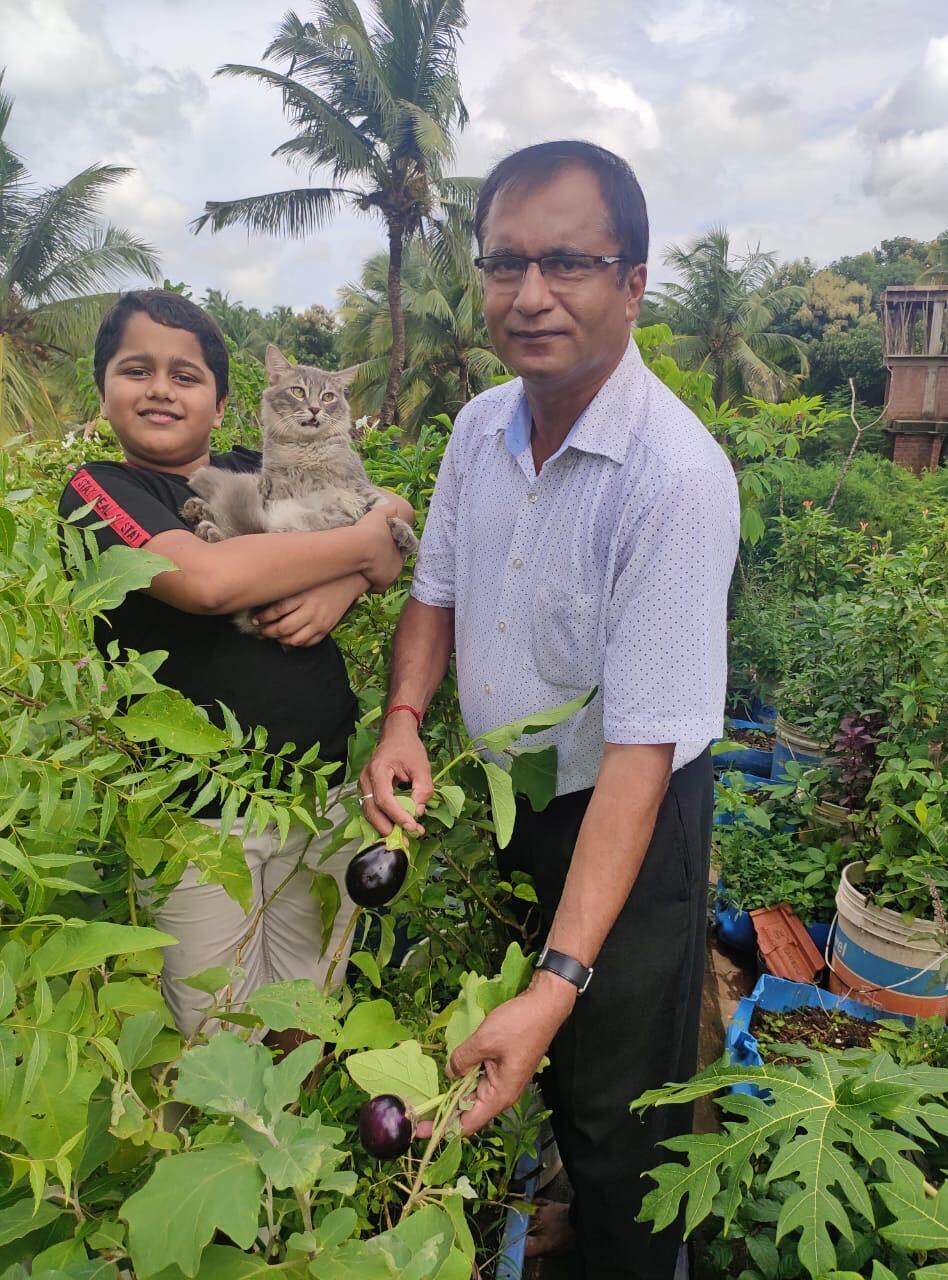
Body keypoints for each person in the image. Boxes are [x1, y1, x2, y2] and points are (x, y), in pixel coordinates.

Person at [360, 142, 740, 1279]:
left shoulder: (672, 476)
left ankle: (629, 1256)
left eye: (568, 262)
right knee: (536, 1046)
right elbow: (433, 592)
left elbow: (639, 754)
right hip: (515, 797)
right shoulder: (480, 426)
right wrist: (404, 719)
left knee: (619, 1106)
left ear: (633, 281)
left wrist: (558, 980)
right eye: (506, 263)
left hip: (631, 807)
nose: (530, 296)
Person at [59, 289, 413, 1041]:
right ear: (104, 391)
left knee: (305, 1011)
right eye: (137, 369)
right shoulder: (102, 489)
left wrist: (342, 589)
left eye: (186, 376)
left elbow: (396, 507)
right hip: (197, 821)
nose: (160, 388)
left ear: (223, 406)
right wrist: (360, 555)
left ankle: (294, 1133)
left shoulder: (264, 467)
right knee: (213, 1037)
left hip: (320, 792)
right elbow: (207, 583)